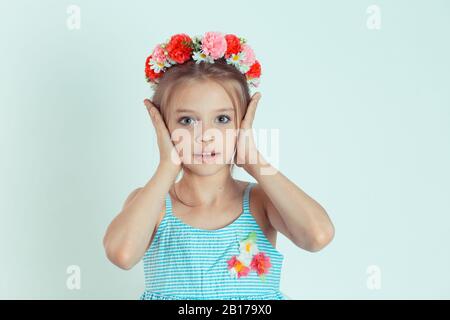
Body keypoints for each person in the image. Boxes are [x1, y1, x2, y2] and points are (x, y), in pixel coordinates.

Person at [103, 31, 335, 300]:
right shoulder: (153, 204)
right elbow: (122, 254)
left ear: (244, 123)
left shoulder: (261, 201)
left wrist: (254, 162)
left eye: (222, 119)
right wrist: (167, 168)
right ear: (162, 127)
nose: (205, 136)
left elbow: (318, 236)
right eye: (187, 121)